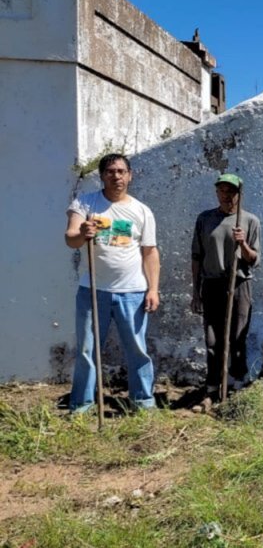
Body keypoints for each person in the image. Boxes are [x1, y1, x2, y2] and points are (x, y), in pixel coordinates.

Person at [64, 153, 160, 413]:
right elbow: (70, 238)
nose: (116, 176)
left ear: (129, 175)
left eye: (121, 171)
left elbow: (150, 253)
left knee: (138, 350)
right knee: (87, 350)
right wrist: (82, 233)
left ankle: (142, 403)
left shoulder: (141, 211)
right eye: (110, 171)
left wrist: (153, 289)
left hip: (133, 292)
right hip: (93, 290)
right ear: (102, 175)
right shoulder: (85, 204)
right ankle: (81, 405)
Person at [191, 174, 261, 399]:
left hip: (240, 284)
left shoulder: (250, 221)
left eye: (231, 191)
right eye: (222, 190)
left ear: (239, 194)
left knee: (238, 338)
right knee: (213, 339)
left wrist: (243, 244)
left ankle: (237, 384)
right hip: (212, 284)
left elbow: (254, 260)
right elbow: (196, 256)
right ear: (217, 193)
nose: (226, 195)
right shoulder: (205, 219)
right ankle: (213, 385)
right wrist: (196, 291)